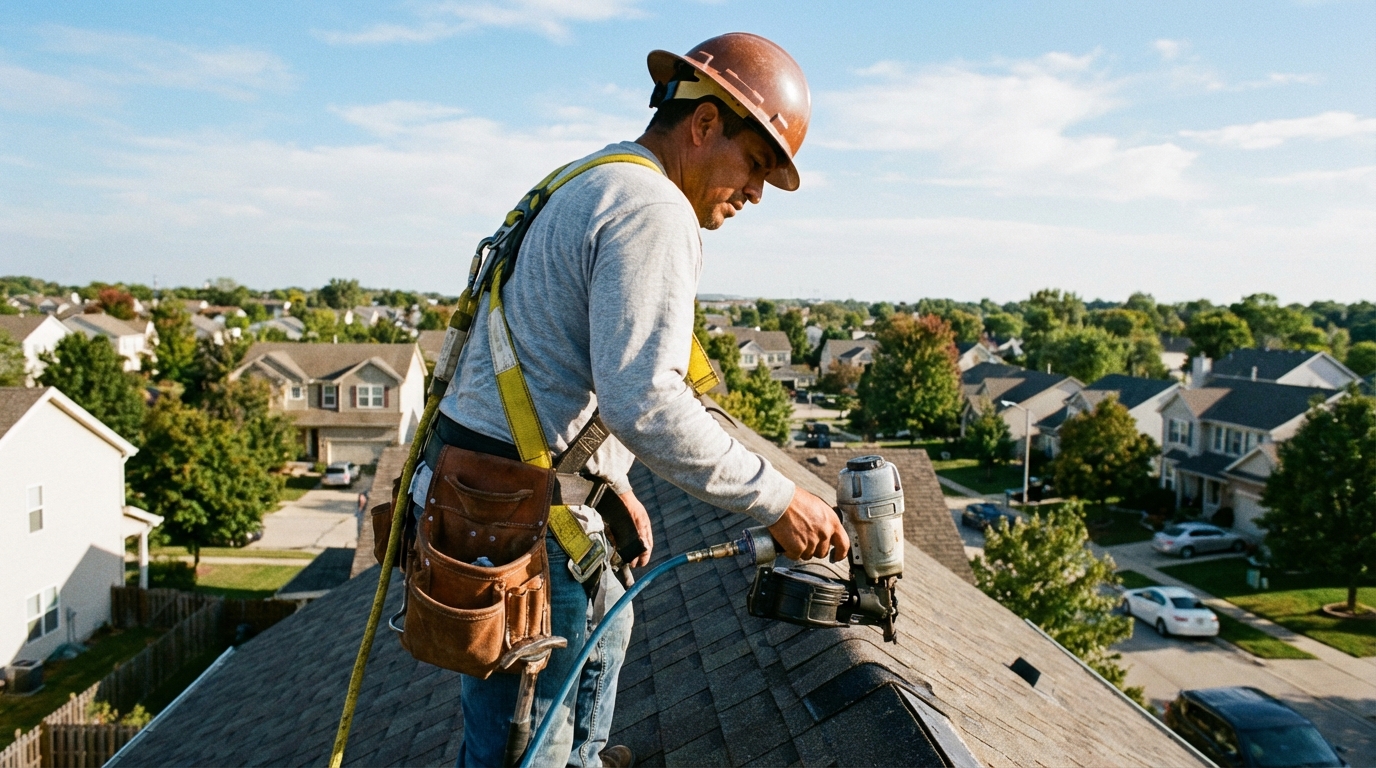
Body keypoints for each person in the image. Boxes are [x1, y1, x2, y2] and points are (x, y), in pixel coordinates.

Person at [430, 33, 849, 768]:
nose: (755, 192)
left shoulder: (591, 178)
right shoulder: (653, 208)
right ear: (705, 123)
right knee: (525, 751)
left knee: (582, 677)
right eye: (756, 163)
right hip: (520, 516)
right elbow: (648, 399)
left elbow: (563, 359)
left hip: (498, 494)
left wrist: (610, 480)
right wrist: (780, 501)